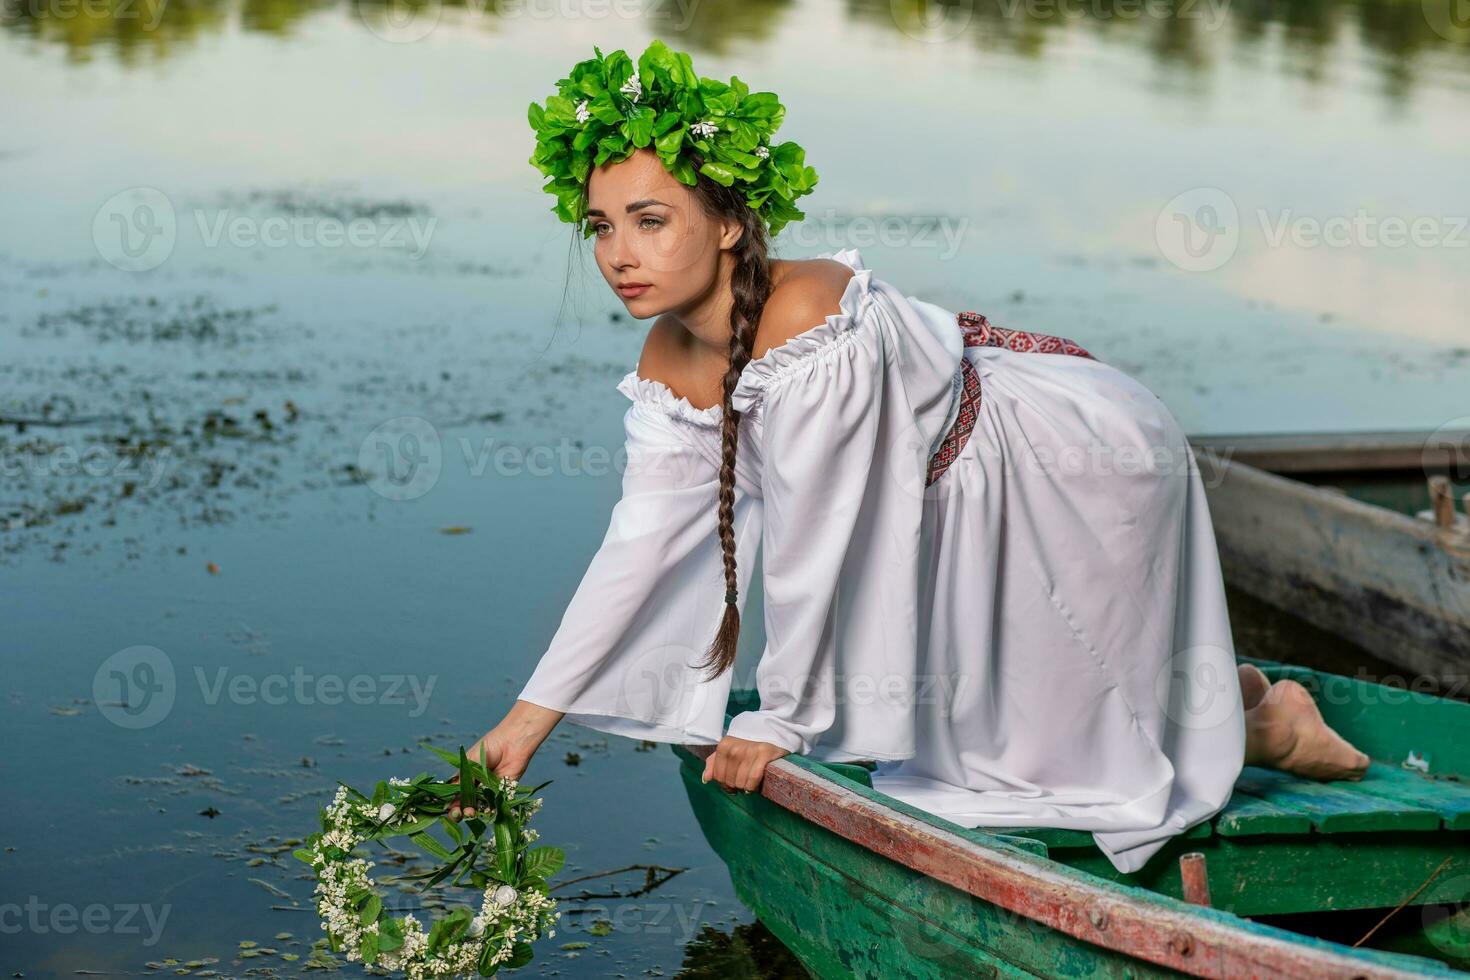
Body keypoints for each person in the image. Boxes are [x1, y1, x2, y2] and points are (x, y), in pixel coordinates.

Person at [449, 40, 1371, 875]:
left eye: (650, 220)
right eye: (601, 227)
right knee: (1001, 745)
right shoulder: (667, 361)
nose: (620, 254)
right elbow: (639, 547)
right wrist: (523, 727)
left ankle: (1255, 724)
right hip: (949, 503)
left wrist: (784, 718)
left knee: (1037, 770)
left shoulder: (808, 317)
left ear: (728, 222)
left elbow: (819, 541)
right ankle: (1252, 710)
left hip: (1066, 466)